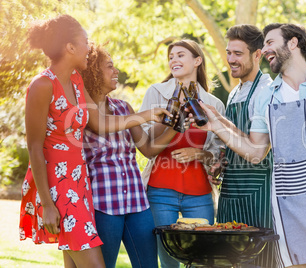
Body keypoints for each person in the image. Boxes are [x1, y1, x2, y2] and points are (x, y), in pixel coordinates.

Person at [195, 23, 306, 268]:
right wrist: (216, 125)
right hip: (286, 205)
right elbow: (256, 152)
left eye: (270, 42)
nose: (264, 50)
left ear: (293, 43)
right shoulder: (267, 96)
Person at [19, 15, 170, 268]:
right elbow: (34, 147)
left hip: (80, 182)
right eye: (85, 41)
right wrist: (47, 203)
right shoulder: (42, 85)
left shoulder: (76, 82)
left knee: (74, 264)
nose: (89, 48)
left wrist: (147, 115)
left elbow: (100, 123)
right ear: (70, 47)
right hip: (58, 185)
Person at [138, 39, 225, 268]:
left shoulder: (213, 104)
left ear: (197, 60)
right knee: (168, 258)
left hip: (200, 193)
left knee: (202, 258)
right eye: (171, 57)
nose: (173, 60)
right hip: (160, 190)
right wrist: (172, 121)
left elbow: (218, 151)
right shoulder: (156, 92)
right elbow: (143, 138)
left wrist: (199, 154)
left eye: (180, 55)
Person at [81, 43, 159, 268]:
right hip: (102, 204)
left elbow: (148, 149)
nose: (116, 72)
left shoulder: (124, 108)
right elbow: (101, 125)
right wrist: (149, 115)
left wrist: (176, 123)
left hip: (137, 203)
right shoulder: (82, 110)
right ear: (94, 72)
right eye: (109, 67)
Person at [206, 24, 276, 268]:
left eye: (238, 54)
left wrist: (217, 126)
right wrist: (222, 162)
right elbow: (238, 138)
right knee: (225, 260)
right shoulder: (235, 91)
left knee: (257, 262)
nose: (230, 60)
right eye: (229, 52)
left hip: (258, 193)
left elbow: (258, 148)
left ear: (257, 55)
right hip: (230, 191)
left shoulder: (266, 90)